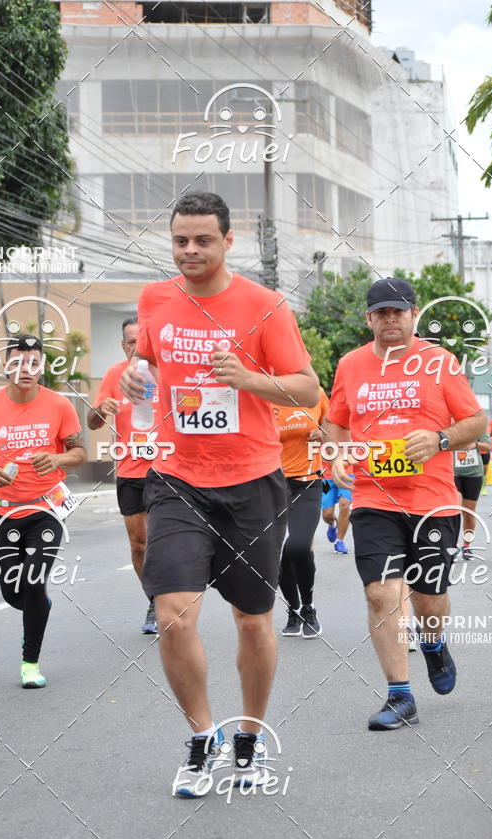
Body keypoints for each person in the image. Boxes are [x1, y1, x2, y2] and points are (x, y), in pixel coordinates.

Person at [120, 192, 319, 794]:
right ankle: (202, 736)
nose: (190, 251)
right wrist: (136, 375)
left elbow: (308, 390)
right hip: (178, 479)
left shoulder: (264, 306)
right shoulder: (156, 298)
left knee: (253, 622)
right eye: (180, 240)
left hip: (253, 482)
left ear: (229, 242)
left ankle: (250, 741)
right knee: (172, 615)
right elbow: (149, 365)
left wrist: (249, 379)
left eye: (203, 240)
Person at [326, 277, 486, 730]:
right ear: (369, 318)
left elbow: (474, 420)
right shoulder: (351, 365)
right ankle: (399, 695)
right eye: (381, 312)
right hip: (374, 497)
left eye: (398, 311)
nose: (390, 319)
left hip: (433, 500)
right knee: (381, 593)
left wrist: (440, 438)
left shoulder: (440, 362)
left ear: (414, 314)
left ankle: (433, 644)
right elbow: (336, 423)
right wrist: (335, 454)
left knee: (429, 601)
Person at [0, 335, 86, 688]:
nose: (26, 369)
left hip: (48, 509)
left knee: (32, 579)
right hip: (6, 512)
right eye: (18, 362)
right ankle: (38, 604)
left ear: (42, 367)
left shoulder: (59, 405)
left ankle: (30, 663)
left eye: (33, 362)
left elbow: (80, 453)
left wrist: (58, 458)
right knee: (13, 592)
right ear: (6, 367)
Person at [87, 316, 159, 634]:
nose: (136, 346)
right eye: (131, 342)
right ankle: (155, 599)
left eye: (141, 340)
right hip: (130, 470)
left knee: (162, 541)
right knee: (138, 545)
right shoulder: (115, 375)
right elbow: (91, 422)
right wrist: (102, 410)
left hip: (167, 471)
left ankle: (171, 596)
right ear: (123, 345)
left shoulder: (165, 373)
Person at [274, 387, 329, 638]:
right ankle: (293, 610)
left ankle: (309, 607)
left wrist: (324, 434)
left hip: (308, 482)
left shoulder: (314, 393)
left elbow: (335, 431)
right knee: (274, 554)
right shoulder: (264, 397)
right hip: (272, 485)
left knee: (296, 546)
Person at [453, 433, 491, 559]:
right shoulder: (450, 424)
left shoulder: (476, 425)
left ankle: (466, 545)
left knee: (469, 513)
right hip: (454, 473)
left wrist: (475, 444)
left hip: (474, 474)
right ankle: (452, 545)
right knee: (454, 510)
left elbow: (488, 446)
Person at [321, 466, 352, 555]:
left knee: (345, 505)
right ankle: (332, 524)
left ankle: (339, 541)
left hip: (347, 475)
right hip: (327, 478)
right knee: (327, 515)